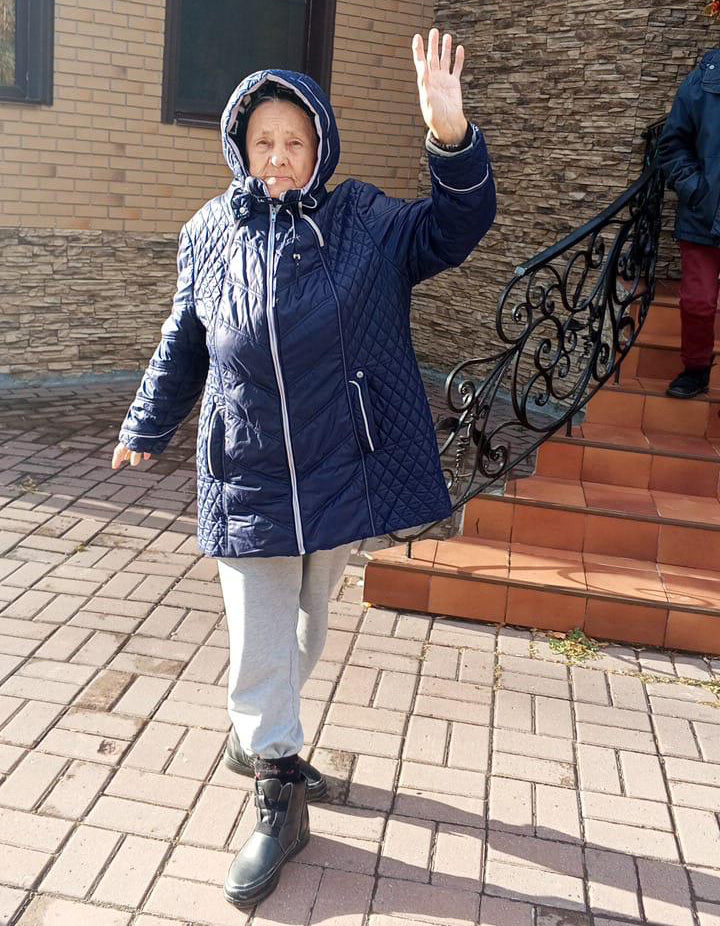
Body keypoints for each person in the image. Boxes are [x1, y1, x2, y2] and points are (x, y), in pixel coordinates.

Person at [111, 28, 496, 909]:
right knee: (259, 629)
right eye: (263, 142)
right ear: (240, 148)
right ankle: (276, 788)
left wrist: (450, 136)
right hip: (244, 463)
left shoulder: (365, 221)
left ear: (320, 145)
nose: (279, 157)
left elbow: (456, 226)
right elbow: (185, 340)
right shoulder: (208, 231)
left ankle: (260, 737)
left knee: (305, 628)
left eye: (294, 140)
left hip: (337, 463)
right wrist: (148, 422)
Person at [658, 41, 720, 399]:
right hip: (704, 214)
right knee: (698, 302)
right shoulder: (703, 80)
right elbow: (673, 144)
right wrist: (695, 190)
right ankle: (696, 369)